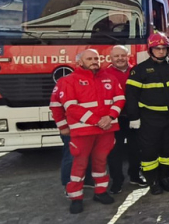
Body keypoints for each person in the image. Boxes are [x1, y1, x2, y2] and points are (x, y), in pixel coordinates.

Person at [57, 49, 125, 214]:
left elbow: (120, 98)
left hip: (106, 130)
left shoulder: (110, 77)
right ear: (80, 62)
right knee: (79, 164)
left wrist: (110, 117)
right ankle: (76, 197)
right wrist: (97, 121)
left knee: (101, 162)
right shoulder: (68, 81)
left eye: (96, 58)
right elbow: (71, 107)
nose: (94, 61)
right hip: (83, 132)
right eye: (89, 58)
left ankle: (100, 192)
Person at [125, 33, 169, 194]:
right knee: (149, 152)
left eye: (164, 48)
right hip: (149, 118)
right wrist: (134, 118)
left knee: (168, 151)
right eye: (157, 48)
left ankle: (165, 179)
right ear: (150, 50)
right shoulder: (139, 70)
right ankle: (153, 181)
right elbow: (131, 96)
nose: (161, 51)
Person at [105, 45, 146, 193]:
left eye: (123, 55)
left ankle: (135, 176)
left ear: (128, 56)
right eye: (116, 56)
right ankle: (117, 180)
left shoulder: (137, 71)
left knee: (136, 149)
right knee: (115, 151)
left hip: (135, 117)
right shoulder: (104, 73)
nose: (120, 59)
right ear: (111, 58)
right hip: (115, 119)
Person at [50, 80, 95, 194]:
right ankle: (68, 183)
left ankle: (87, 179)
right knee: (71, 155)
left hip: (90, 126)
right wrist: (62, 126)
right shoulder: (65, 81)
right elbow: (55, 105)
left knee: (90, 153)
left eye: (95, 60)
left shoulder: (95, 79)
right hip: (72, 127)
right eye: (88, 60)